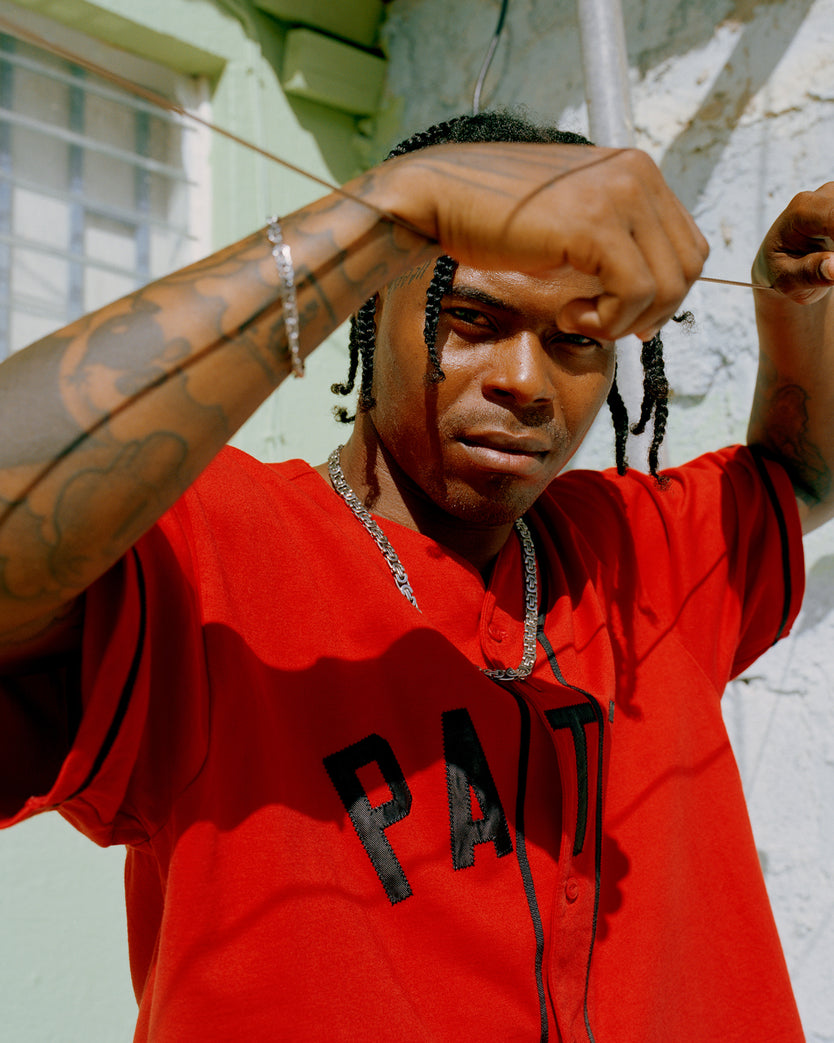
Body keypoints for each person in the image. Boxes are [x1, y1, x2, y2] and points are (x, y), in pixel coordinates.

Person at [0, 110, 831, 1041]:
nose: (526, 380)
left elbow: (804, 473)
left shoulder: (635, 550)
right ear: (371, 302)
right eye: (473, 319)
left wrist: (796, 312)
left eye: (577, 341)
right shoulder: (208, 554)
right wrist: (390, 211)